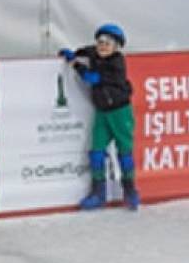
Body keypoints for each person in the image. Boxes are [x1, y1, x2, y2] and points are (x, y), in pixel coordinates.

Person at [59, 23, 140, 210]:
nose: (103, 46)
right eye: (100, 42)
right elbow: (87, 51)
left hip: (120, 112)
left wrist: (75, 64)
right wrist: (74, 52)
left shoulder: (116, 64)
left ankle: (130, 190)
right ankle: (98, 193)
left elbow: (92, 78)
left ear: (116, 47)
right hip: (102, 112)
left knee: (124, 151)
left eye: (108, 43)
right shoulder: (95, 53)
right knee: (96, 152)